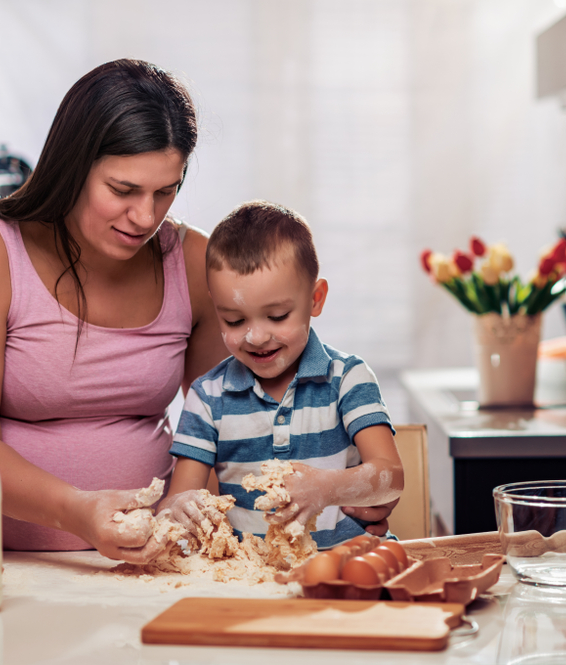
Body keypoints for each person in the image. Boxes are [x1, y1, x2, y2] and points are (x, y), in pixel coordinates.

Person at [0, 60, 394, 562]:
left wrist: (346, 487)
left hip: (147, 565)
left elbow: (234, 421)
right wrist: (79, 511)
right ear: (73, 166)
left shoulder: (191, 261)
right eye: (123, 190)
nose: (145, 217)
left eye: (167, 191)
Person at [160, 201, 404, 549]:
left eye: (277, 316)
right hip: (254, 575)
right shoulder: (207, 398)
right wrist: (177, 508)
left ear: (315, 299)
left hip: (351, 563)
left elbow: (391, 477)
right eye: (234, 320)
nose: (256, 337)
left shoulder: (347, 379)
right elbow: (180, 500)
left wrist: (324, 488)